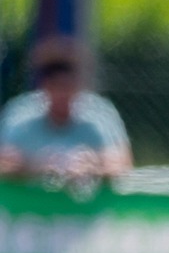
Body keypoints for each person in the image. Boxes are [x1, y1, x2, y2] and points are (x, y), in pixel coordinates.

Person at [0, 36, 133, 185]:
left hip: (86, 206)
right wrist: (33, 167)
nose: (63, 94)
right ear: (44, 86)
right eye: (57, 86)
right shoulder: (21, 113)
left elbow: (122, 163)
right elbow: (4, 161)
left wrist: (93, 165)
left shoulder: (99, 113)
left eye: (67, 86)